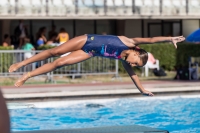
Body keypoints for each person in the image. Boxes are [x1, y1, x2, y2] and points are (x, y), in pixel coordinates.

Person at [8, 34, 185, 96]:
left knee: (59, 63)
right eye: (135, 61)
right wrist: (169, 39)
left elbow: (133, 76)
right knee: (55, 52)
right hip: (86, 40)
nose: (131, 63)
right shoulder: (129, 42)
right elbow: (152, 40)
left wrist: (142, 90)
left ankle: (27, 75)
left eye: (134, 64)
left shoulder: (123, 60)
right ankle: (22, 63)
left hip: (88, 52)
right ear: (136, 51)